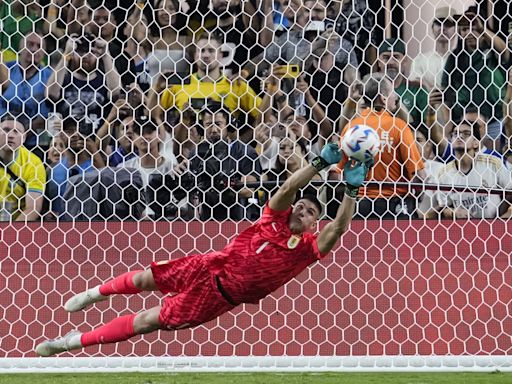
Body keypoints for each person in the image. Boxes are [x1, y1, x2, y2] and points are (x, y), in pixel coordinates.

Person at [35, 143, 372, 356]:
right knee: (144, 280)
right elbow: (287, 187)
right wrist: (316, 163)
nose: (302, 211)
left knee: (146, 322)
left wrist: (351, 191)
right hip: (210, 264)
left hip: (219, 297)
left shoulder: (307, 249)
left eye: (311, 212)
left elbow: (340, 228)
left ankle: (70, 343)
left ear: (316, 223)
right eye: (301, 206)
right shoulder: (274, 215)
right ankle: (95, 293)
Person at [334, 73, 426, 219]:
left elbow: (335, 174)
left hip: (360, 207)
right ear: (383, 98)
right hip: (395, 206)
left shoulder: (351, 128)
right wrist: (417, 198)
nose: (396, 98)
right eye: (393, 94)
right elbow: (419, 176)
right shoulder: (399, 127)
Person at [430, 120, 512, 219]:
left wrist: (499, 217)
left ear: (476, 143)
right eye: (455, 133)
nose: (459, 136)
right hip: (463, 228)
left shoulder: (493, 163)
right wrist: (453, 212)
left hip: (494, 226)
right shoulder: (444, 172)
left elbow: (510, 191)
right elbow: (444, 207)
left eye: (466, 134)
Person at [0, 115, 46, 222]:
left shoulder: (34, 164)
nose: (10, 135)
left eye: (16, 132)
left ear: (24, 138)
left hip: (15, 225)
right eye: (6, 130)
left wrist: (11, 232)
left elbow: (33, 208)